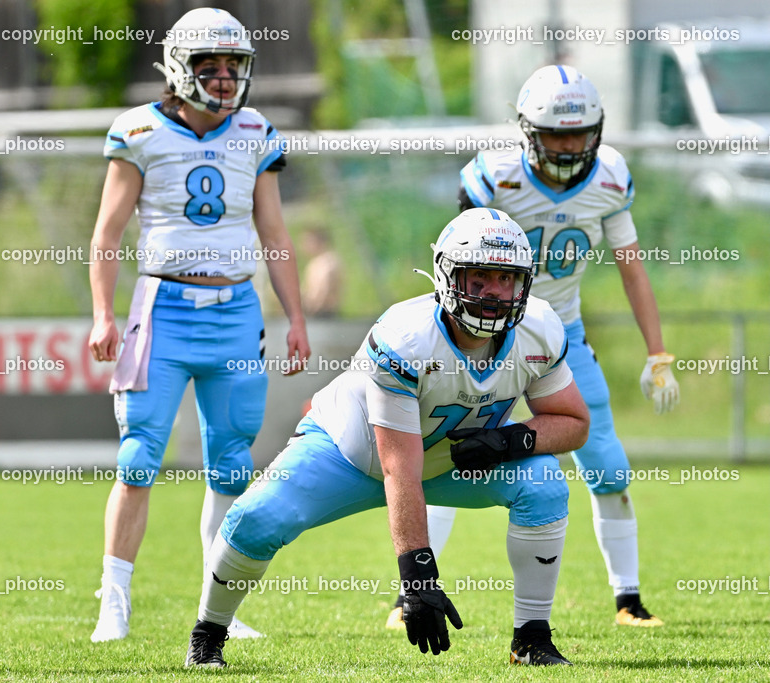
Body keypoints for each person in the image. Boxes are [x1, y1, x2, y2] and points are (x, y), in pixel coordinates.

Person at [184, 208, 590, 668]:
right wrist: (417, 576)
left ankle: (532, 638)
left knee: (543, 482)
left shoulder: (538, 328)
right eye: (479, 276)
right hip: (350, 454)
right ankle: (208, 634)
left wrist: (508, 442)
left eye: (505, 278)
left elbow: (573, 422)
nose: (495, 291)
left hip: (444, 461)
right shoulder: (405, 337)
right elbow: (398, 465)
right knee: (256, 519)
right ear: (447, 275)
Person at [388, 64, 679, 631]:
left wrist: (658, 351)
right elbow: (458, 264)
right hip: (480, 338)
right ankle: (412, 594)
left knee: (609, 468)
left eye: (579, 133)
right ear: (527, 131)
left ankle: (629, 599)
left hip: (561, 340)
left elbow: (632, 268)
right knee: (450, 455)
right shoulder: (495, 176)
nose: (570, 147)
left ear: (598, 129)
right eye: (556, 135)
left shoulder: (611, 177)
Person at [87, 7, 311, 643]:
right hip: (163, 312)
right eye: (208, 66)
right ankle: (115, 599)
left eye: (233, 65)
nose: (222, 77)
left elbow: (274, 232)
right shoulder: (139, 131)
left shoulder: (257, 131)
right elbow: (106, 233)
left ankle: (221, 607)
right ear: (178, 68)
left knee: (233, 464)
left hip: (238, 312)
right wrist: (104, 312)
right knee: (138, 458)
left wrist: (295, 317)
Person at [300, 227, 343, 318]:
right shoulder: (314, 263)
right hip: (313, 312)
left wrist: (312, 310)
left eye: (308, 241)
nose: (304, 246)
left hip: (323, 314)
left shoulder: (329, 263)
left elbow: (323, 292)